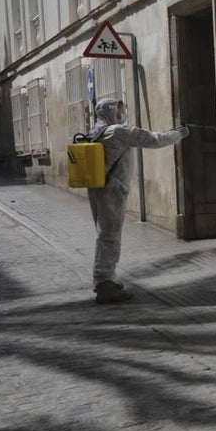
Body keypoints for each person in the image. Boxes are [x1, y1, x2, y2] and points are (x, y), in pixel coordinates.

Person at [86, 98, 189, 304]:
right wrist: (180, 133)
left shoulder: (95, 132)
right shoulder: (118, 131)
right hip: (112, 190)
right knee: (110, 235)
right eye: (119, 111)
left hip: (97, 188)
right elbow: (155, 139)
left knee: (105, 234)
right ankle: (104, 283)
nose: (122, 114)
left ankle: (105, 279)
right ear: (111, 111)